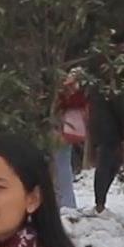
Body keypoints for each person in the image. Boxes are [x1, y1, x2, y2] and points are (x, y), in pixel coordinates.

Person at [85, 86, 124, 215]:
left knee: (106, 167)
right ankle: (100, 202)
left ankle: (100, 201)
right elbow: (121, 112)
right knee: (108, 167)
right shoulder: (111, 90)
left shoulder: (95, 91)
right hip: (111, 133)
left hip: (101, 132)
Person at [51, 71, 89, 211]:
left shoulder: (62, 95)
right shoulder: (79, 95)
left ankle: (65, 202)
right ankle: (67, 202)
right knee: (64, 165)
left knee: (60, 165)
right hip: (69, 132)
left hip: (59, 131)